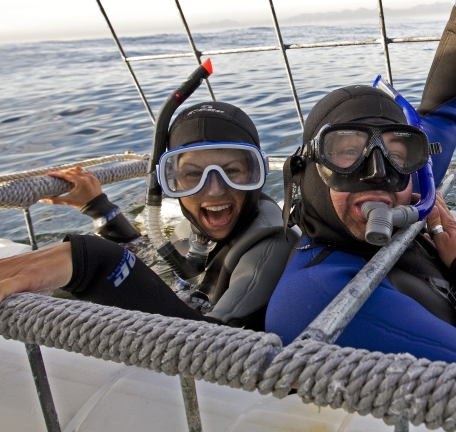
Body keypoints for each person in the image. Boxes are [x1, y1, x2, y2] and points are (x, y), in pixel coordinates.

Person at [265, 0, 456, 378]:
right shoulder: (317, 295)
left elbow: (444, 108)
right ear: (308, 169)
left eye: (398, 151)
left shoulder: (410, 186)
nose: (378, 172)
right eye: (347, 151)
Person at [0, 101, 294, 331]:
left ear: (256, 174)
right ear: (171, 180)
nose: (214, 190)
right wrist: (99, 208)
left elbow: (216, 344)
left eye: (232, 172)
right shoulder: (193, 229)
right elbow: (156, 264)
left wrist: (95, 261)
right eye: (193, 174)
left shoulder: (269, 245)